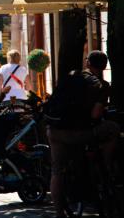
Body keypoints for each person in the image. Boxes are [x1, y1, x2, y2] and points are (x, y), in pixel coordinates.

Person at [49, 51, 120, 218]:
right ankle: (107, 164)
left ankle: (59, 213)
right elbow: (95, 115)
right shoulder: (101, 85)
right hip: (79, 132)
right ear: (104, 66)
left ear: (87, 63)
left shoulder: (71, 76)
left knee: (57, 171)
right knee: (113, 129)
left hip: (55, 130)